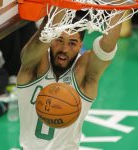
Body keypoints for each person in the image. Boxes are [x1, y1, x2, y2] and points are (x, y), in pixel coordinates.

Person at [16, 9, 123, 150]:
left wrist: (119, 7)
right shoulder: (35, 64)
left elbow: (106, 49)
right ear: (51, 39)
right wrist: (61, 6)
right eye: (59, 40)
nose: (64, 49)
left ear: (80, 45)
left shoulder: (84, 73)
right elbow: (35, 46)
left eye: (72, 43)